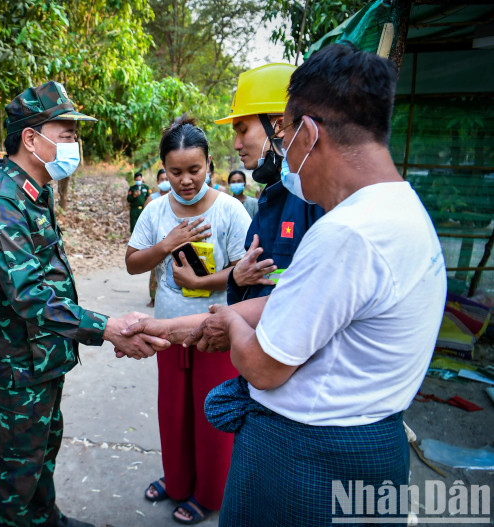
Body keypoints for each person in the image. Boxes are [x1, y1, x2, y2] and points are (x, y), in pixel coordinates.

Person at [137, 43, 448, 526]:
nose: (269, 144)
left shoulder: (345, 234)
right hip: (366, 442)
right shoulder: (401, 212)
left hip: (309, 460)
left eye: (279, 130)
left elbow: (262, 367)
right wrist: (188, 324)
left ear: (306, 133)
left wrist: (227, 325)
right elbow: (299, 303)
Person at [0, 80, 168, 527]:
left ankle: (46, 519)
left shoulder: (31, 192)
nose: (75, 143)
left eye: (76, 134)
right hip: (17, 366)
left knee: (41, 452)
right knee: (15, 473)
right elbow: (32, 296)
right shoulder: (1, 201)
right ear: (31, 138)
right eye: (67, 133)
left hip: (42, 359)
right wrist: (108, 327)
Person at [125, 115, 251, 524]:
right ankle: (178, 481)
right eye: (175, 172)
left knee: (211, 416)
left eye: (194, 170)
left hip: (216, 333)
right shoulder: (157, 211)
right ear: (164, 170)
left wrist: (200, 280)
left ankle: (210, 494)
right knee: (174, 413)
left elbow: (244, 273)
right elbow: (132, 263)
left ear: (210, 164)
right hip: (168, 332)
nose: (185, 180)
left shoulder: (231, 212)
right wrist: (167, 244)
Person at [215, 62, 324, 305]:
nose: (236, 144)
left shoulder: (313, 197)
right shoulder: (273, 195)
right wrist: (237, 277)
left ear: (278, 125)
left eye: (242, 130)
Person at [144, 168, 171, 307]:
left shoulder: (176, 198)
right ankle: (153, 298)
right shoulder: (152, 199)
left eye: (167, 179)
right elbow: (145, 221)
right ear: (157, 181)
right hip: (156, 240)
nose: (165, 182)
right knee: (155, 270)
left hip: (172, 238)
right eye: (162, 179)